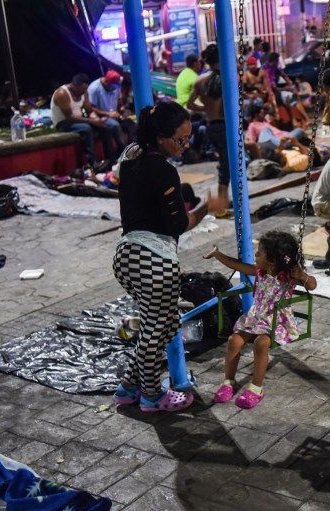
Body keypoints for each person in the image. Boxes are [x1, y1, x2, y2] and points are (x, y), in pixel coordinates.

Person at [112, 101, 209, 413]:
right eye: (181, 140)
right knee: (157, 333)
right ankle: (153, 397)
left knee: (163, 327)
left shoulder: (130, 157)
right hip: (154, 260)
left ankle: (128, 387)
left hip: (127, 255)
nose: (186, 145)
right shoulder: (164, 170)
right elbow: (178, 224)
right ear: (162, 138)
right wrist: (206, 208)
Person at [205, 232, 317, 409]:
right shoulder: (260, 272)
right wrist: (218, 254)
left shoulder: (289, 276)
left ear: (272, 260)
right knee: (233, 340)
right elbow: (237, 264)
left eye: (259, 253)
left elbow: (312, 285)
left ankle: (256, 388)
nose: (255, 255)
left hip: (277, 322)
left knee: (261, 343)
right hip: (256, 319)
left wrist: (302, 275)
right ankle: (228, 382)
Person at [188, 44, 231, 217]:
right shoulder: (227, 77)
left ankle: (224, 200)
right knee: (228, 164)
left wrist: (206, 109)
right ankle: (221, 202)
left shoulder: (200, 81)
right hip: (225, 125)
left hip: (212, 125)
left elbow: (190, 104)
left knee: (225, 162)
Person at [50, 73, 118, 164]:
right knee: (86, 129)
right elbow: (70, 117)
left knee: (106, 127)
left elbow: (89, 110)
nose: (84, 92)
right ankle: (92, 163)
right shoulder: (62, 93)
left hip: (79, 120)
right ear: (74, 85)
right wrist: (92, 121)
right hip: (64, 123)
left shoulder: (84, 91)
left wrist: (97, 119)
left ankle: (111, 160)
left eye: (85, 89)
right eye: (82, 90)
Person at [87, 70, 133, 155]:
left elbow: (119, 100)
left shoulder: (116, 85)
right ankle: (124, 154)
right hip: (101, 116)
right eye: (113, 86)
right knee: (114, 125)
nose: (115, 88)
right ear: (106, 82)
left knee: (130, 124)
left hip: (115, 114)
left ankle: (133, 149)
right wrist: (108, 114)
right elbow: (91, 108)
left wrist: (121, 108)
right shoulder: (94, 88)